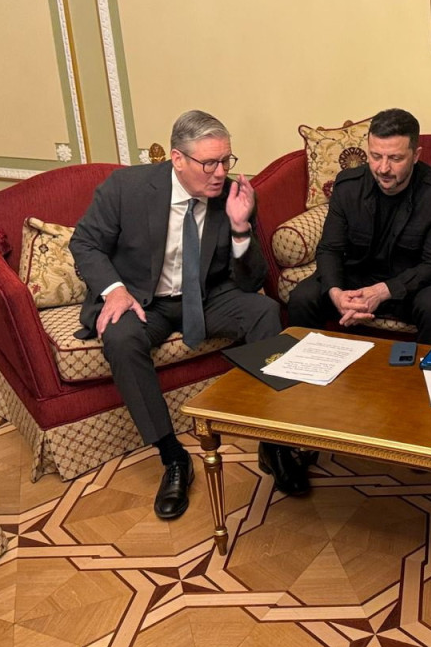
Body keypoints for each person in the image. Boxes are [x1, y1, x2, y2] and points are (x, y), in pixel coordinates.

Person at [70, 110, 282, 519]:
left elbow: (253, 277)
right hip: (142, 300)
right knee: (120, 337)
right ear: (177, 159)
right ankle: (172, 457)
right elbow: (85, 244)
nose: (220, 173)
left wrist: (241, 229)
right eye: (209, 163)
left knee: (266, 313)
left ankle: (274, 443)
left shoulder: (233, 197)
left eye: (226, 161)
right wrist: (113, 292)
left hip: (206, 295)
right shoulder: (126, 189)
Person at [288, 107, 431, 345]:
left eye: (395, 158)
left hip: (410, 284)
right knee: (303, 297)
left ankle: (425, 378)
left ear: (416, 155)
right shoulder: (348, 186)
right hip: (358, 276)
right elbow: (330, 248)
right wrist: (336, 292)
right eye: (376, 156)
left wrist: (382, 291)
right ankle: (311, 373)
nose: (383, 168)